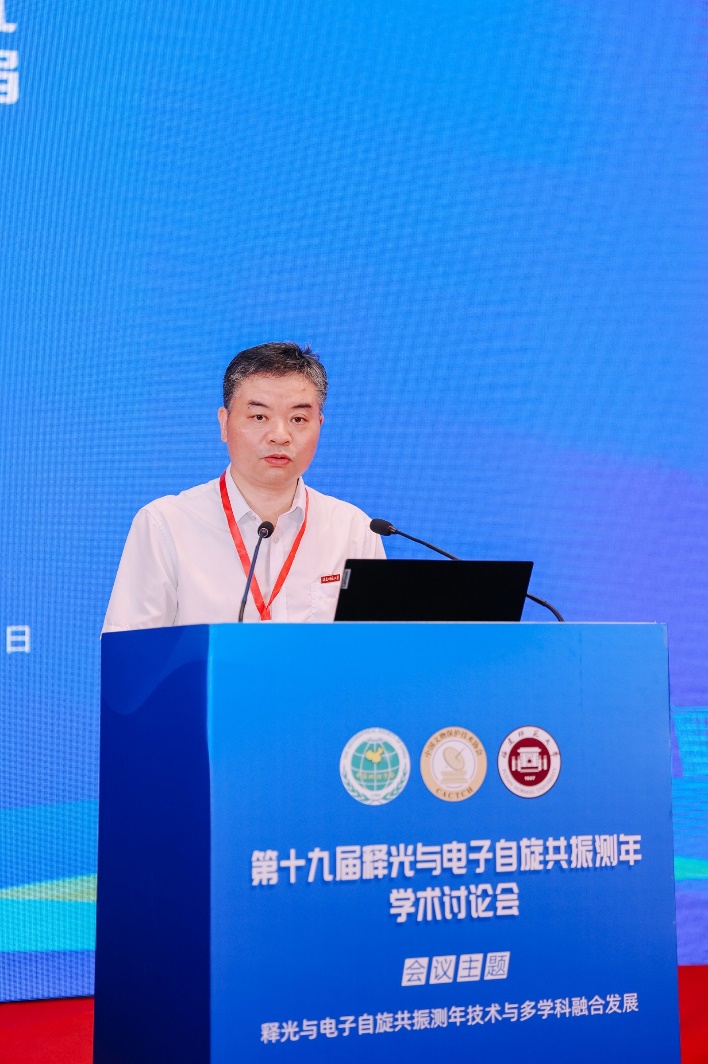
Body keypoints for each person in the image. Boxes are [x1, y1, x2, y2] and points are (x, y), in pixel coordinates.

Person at [102, 342, 385, 631]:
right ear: (224, 424)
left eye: (298, 419)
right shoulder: (166, 526)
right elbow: (130, 653)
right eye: (259, 417)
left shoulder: (354, 531)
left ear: (319, 425)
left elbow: (379, 649)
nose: (280, 436)